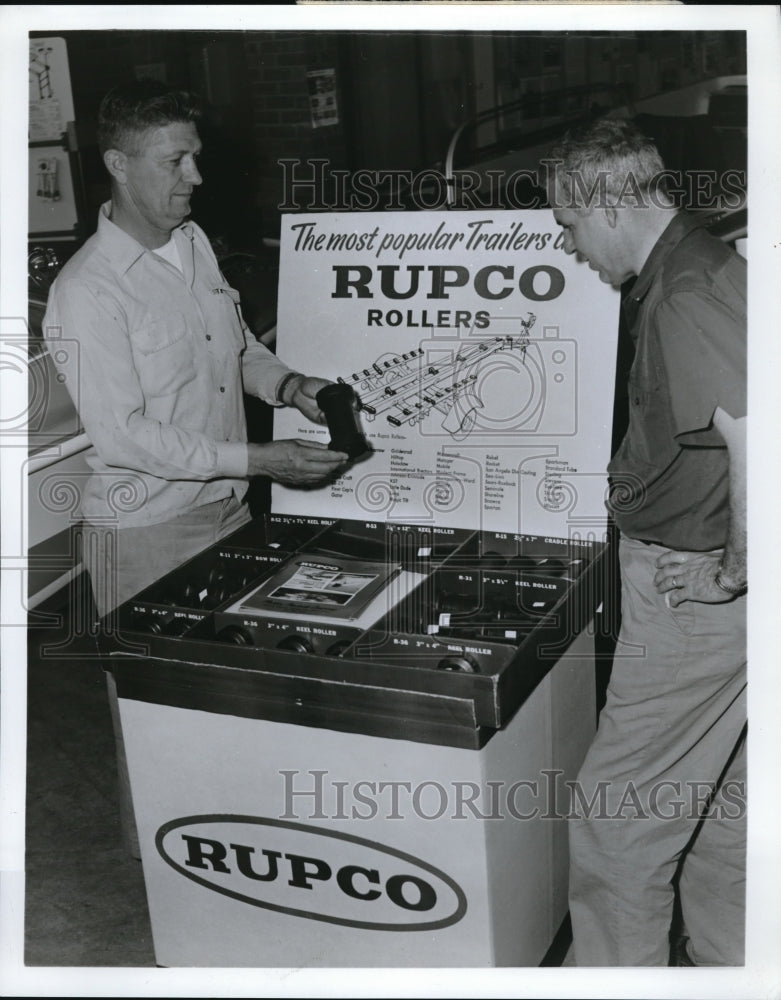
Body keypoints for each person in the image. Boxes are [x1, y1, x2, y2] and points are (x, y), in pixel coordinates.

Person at [43, 80, 348, 855]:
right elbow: (124, 438)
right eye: (175, 161)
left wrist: (291, 385)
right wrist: (259, 457)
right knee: (159, 726)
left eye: (197, 158)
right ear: (118, 163)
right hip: (145, 534)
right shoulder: (87, 293)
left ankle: (235, 871)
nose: (195, 178)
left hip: (224, 516)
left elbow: (236, 350)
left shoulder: (194, 243)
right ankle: (165, 892)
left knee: (233, 705)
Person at [544, 118, 747, 966]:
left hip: (693, 593)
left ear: (606, 204)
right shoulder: (701, 261)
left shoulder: (685, 292)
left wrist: (733, 575)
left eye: (568, 225)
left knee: (616, 822)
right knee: (715, 808)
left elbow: (757, 439)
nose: (569, 246)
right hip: (712, 590)